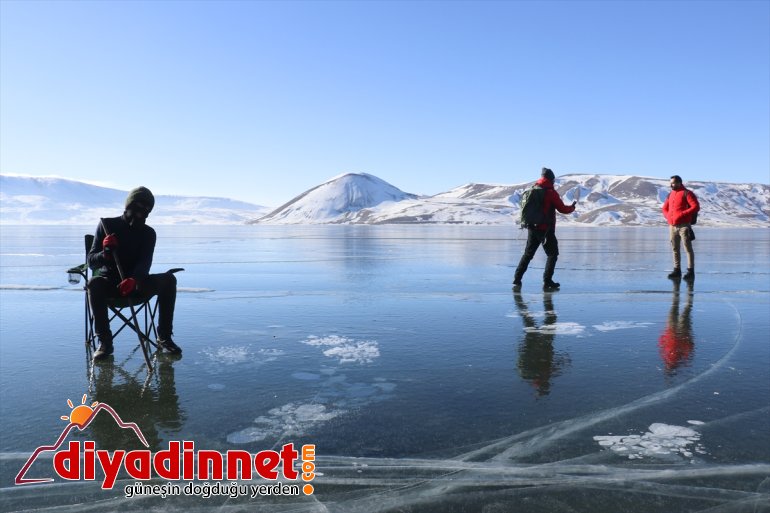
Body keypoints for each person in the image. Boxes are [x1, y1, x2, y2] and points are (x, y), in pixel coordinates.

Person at [87, 186, 181, 360]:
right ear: (128, 204)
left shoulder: (148, 233)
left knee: (169, 280)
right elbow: (91, 261)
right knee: (94, 283)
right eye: (138, 205)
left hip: (137, 285)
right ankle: (105, 342)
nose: (141, 211)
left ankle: (164, 337)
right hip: (111, 286)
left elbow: (145, 262)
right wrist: (105, 253)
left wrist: (135, 280)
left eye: (147, 209)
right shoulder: (107, 225)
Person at [513, 167, 576, 290]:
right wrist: (572, 208)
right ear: (551, 179)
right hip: (545, 229)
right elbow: (562, 209)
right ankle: (547, 281)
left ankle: (517, 279)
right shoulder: (550, 192)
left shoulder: (533, 189)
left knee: (528, 254)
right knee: (553, 254)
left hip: (532, 227)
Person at [662, 175, 700, 282]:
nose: (671, 185)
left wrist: (683, 214)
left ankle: (690, 271)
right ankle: (677, 270)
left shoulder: (687, 193)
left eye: (673, 183)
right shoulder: (671, 195)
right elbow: (664, 208)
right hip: (672, 226)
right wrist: (668, 216)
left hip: (684, 226)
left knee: (687, 248)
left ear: (679, 182)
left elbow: (696, 206)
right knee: (675, 248)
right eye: (670, 183)